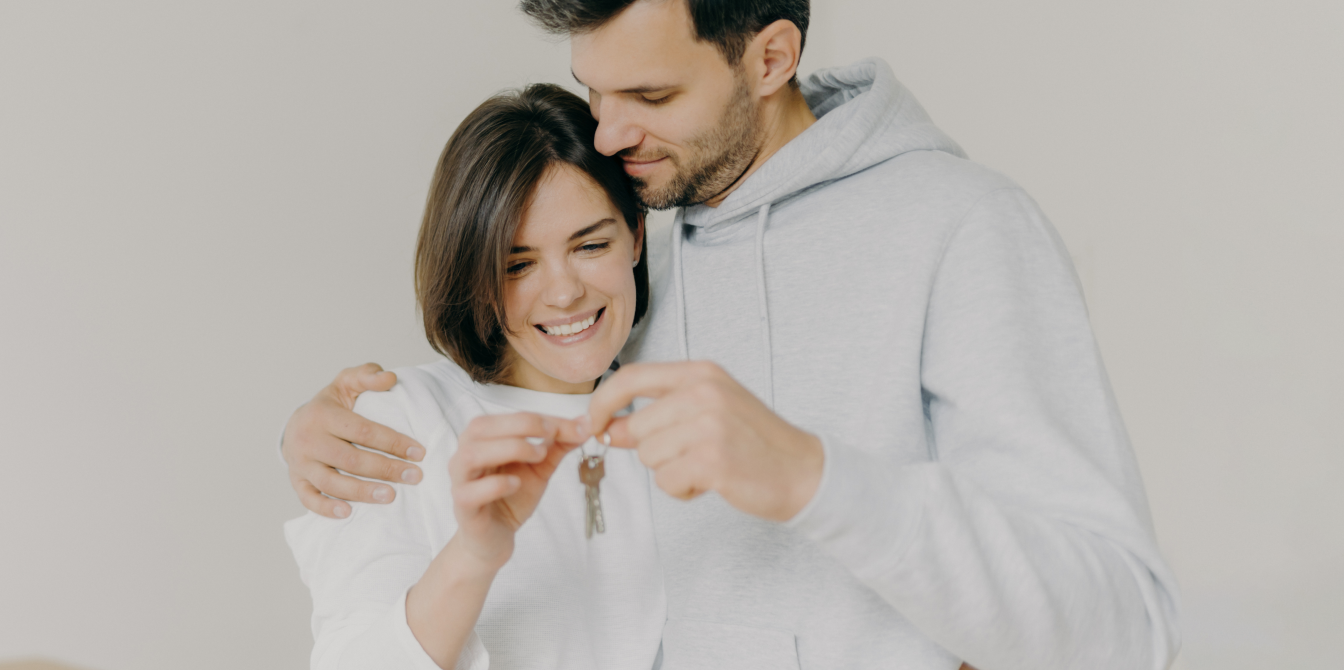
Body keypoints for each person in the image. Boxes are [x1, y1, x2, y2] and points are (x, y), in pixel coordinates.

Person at [282, 1, 1182, 669]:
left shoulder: (961, 229)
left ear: (770, 57)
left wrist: (810, 476)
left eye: (650, 92)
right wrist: (320, 432)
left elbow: (1124, 633)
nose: (608, 132)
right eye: (596, 91)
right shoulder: (637, 246)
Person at [284, 84, 665, 670]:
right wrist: (475, 555)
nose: (564, 292)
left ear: (636, 235)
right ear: (474, 275)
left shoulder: (669, 404)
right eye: (518, 264)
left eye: (590, 245)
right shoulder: (399, 423)